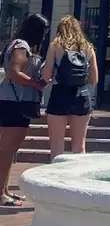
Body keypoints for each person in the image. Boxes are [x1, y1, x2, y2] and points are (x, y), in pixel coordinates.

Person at [0, 14, 49, 206]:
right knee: (7, 149)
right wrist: (36, 84)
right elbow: (14, 72)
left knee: (8, 149)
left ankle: (4, 190)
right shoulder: (21, 46)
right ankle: (1, 194)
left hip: (10, 101)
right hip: (15, 103)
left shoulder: (17, 44)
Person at [42, 16, 99, 160]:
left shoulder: (55, 45)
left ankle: (56, 179)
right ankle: (77, 179)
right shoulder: (88, 47)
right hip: (81, 96)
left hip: (59, 94)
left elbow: (46, 76)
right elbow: (94, 79)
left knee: (56, 146)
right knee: (79, 147)